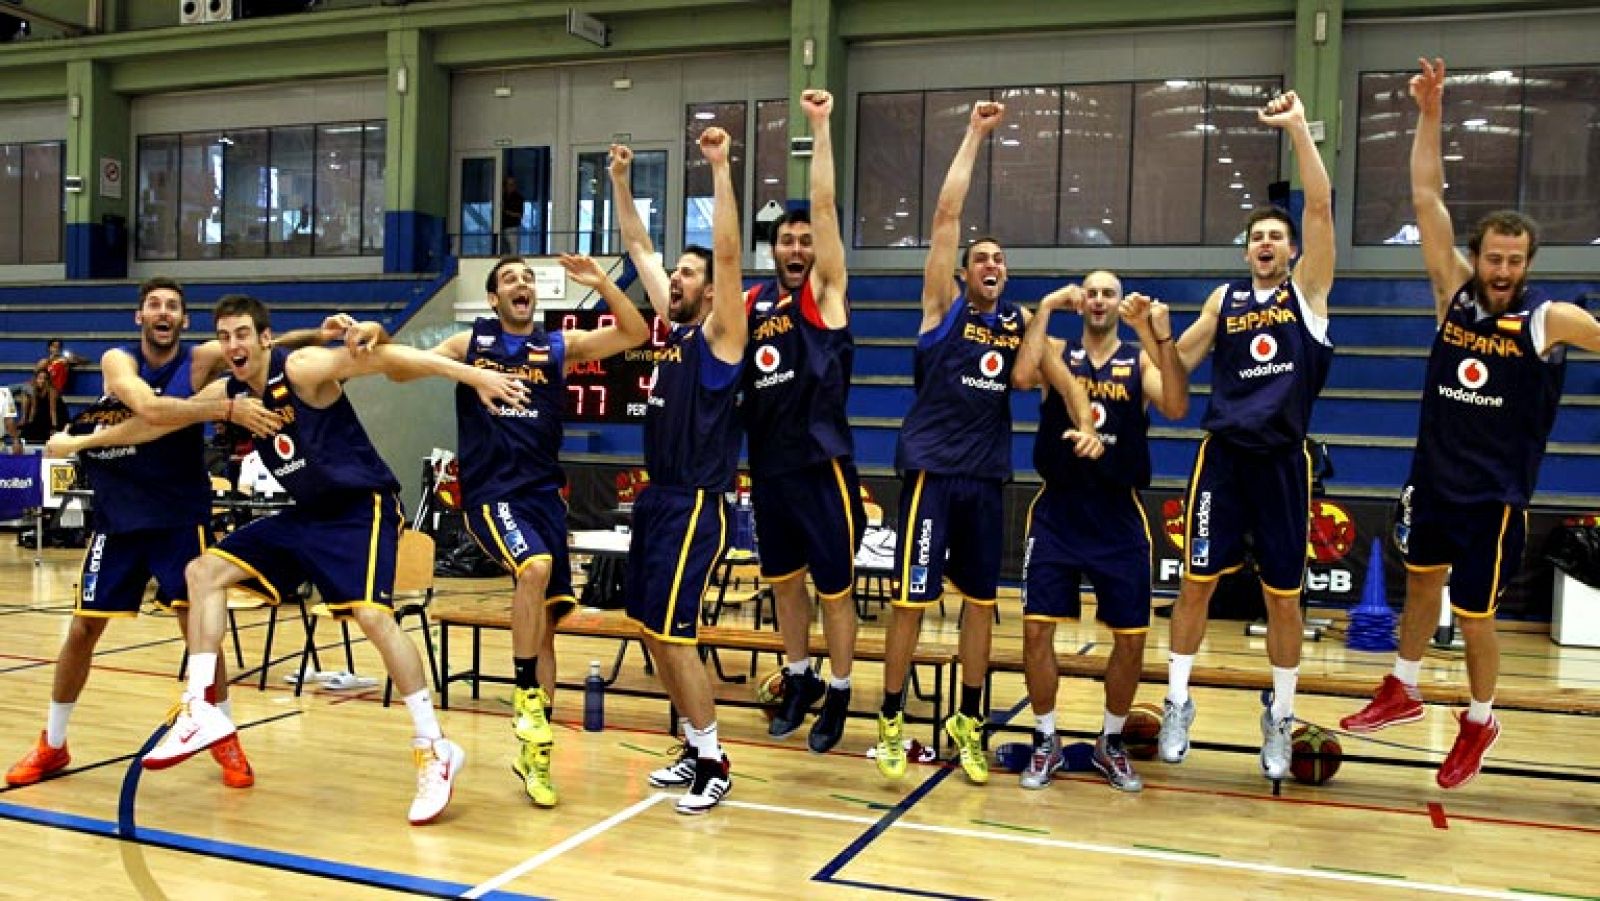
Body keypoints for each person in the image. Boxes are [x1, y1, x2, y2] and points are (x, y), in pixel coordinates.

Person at [67, 293, 525, 825]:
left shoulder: (303, 368)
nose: (233, 344)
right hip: (307, 513)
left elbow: (385, 359)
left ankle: (434, 747)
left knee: (374, 617)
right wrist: (81, 443)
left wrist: (473, 377)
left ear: (265, 339)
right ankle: (199, 708)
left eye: (243, 333)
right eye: (224, 336)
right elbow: (151, 424)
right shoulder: (229, 392)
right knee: (202, 571)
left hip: (361, 507)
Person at [1339, 58, 1600, 789]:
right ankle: (1403, 684)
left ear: (1530, 263)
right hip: (1434, 481)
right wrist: (1430, 111)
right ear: (1479, 256)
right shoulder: (1453, 292)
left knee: (1475, 615)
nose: (1503, 269)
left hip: (1493, 498)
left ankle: (1482, 718)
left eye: (1516, 260)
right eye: (1494, 257)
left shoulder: (1550, 319)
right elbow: (1427, 198)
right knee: (1420, 587)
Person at [7, 277, 333, 788]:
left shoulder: (201, 360)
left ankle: (223, 733)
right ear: (140, 317)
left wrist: (322, 332)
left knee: (200, 633)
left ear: (183, 320)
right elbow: (151, 410)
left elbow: (267, 344)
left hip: (180, 516)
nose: (163, 312)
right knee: (81, 630)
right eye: (154, 305)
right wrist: (223, 408)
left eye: (173, 307)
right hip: (119, 520)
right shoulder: (120, 361)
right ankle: (53, 742)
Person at [874, 100, 1086, 784]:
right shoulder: (943, 310)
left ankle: (968, 719)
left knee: (981, 606)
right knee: (910, 601)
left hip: (987, 478)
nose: (992, 263)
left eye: (1000, 258)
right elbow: (944, 219)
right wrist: (973, 135)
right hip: (932, 473)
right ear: (965, 271)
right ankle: (889, 719)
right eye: (982, 257)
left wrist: (1086, 417)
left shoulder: (1019, 321)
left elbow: (1049, 372)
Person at [1158, 89, 1335, 782]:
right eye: (1256, 236)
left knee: (1284, 598)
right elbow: (1177, 373)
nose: (1265, 243)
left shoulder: (1308, 297)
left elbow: (1320, 206)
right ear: (1247, 250)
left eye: (1275, 236)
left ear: (1292, 250)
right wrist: (1153, 331)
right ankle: (1177, 702)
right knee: (1195, 584)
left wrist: (1297, 127)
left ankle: (1281, 718)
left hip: (1284, 463)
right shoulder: (1222, 302)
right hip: (1222, 458)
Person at [429, 252, 648, 808]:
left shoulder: (556, 348)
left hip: (544, 499)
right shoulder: (469, 345)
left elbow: (635, 331)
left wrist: (601, 281)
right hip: (491, 496)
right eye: (510, 280)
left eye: (528, 278)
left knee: (547, 621)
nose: (522, 284)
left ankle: (536, 752)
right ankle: (526, 693)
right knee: (536, 567)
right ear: (495, 299)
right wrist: (469, 375)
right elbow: (401, 365)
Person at [723, 89, 865, 753]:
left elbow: (827, 206)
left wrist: (819, 128)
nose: (800, 246)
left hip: (822, 467)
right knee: (783, 586)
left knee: (834, 592)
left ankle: (839, 691)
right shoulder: (752, 304)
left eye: (808, 239)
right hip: (770, 468)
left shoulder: (825, 295)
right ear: (773, 248)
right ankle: (800, 676)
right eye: (788, 238)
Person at [609, 128, 744, 814]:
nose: (678, 280)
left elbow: (725, 251)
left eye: (689, 274)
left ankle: (715, 756)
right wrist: (621, 182)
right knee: (647, 627)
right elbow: (637, 246)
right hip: (658, 499)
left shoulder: (723, 335)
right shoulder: (676, 331)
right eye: (679, 275)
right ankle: (693, 743)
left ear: (715, 290)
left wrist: (719, 167)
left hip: (697, 502)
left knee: (674, 632)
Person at [1012, 272, 1187, 792]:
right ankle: (1047, 740)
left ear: (1119, 304)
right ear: (1080, 300)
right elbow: (1022, 371)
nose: (1099, 299)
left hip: (1118, 515)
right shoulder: (1057, 352)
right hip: (1058, 512)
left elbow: (1177, 406)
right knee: (1036, 631)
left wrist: (1160, 336)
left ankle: (1111, 743)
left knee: (1131, 640)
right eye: (1091, 291)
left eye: (1110, 292)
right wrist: (1045, 305)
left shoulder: (1140, 361)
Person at [18, 365, 68, 446]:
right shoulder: (34, 390)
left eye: (45, 378)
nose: (42, 381)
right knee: (29, 431)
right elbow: (34, 408)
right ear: (36, 379)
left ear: (48, 380)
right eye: (40, 378)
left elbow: (53, 411)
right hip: (43, 414)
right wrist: (29, 424)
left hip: (57, 416)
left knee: (49, 432)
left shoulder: (52, 391)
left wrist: (54, 427)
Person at [502, 176, 526, 254]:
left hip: (513, 227)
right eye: (508, 184)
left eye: (512, 184)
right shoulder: (502, 197)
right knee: (503, 250)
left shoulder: (518, 198)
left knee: (513, 250)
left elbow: (520, 214)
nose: (510, 187)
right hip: (502, 227)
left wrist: (507, 212)